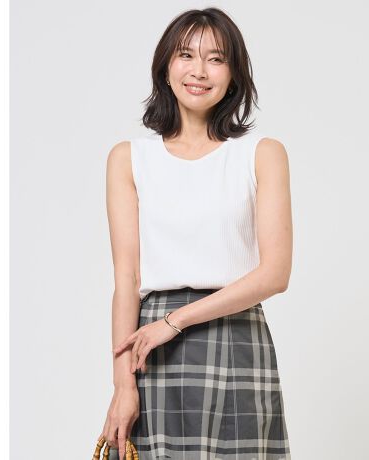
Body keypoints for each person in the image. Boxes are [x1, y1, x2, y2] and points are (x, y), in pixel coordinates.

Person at [99, 7, 293, 460]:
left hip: (234, 334)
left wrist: (175, 322)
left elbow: (276, 273)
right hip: (151, 348)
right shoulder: (129, 158)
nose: (199, 71)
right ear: (165, 66)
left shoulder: (261, 154)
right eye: (186, 55)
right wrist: (122, 384)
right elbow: (127, 281)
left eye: (216, 58)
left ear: (234, 74)